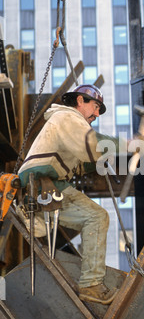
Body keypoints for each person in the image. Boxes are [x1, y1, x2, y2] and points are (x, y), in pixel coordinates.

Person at [17, 84, 127, 305]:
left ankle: (33, 217)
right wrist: (126, 144)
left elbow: (77, 163)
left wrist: (101, 160)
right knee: (97, 217)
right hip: (42, 181)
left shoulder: (67, 125)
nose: (96, 114)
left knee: (95, 217)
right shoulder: (67, 118)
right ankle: (91, 286)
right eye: (95, 107)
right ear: (79, 101)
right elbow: (92, 145)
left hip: (44, 181)